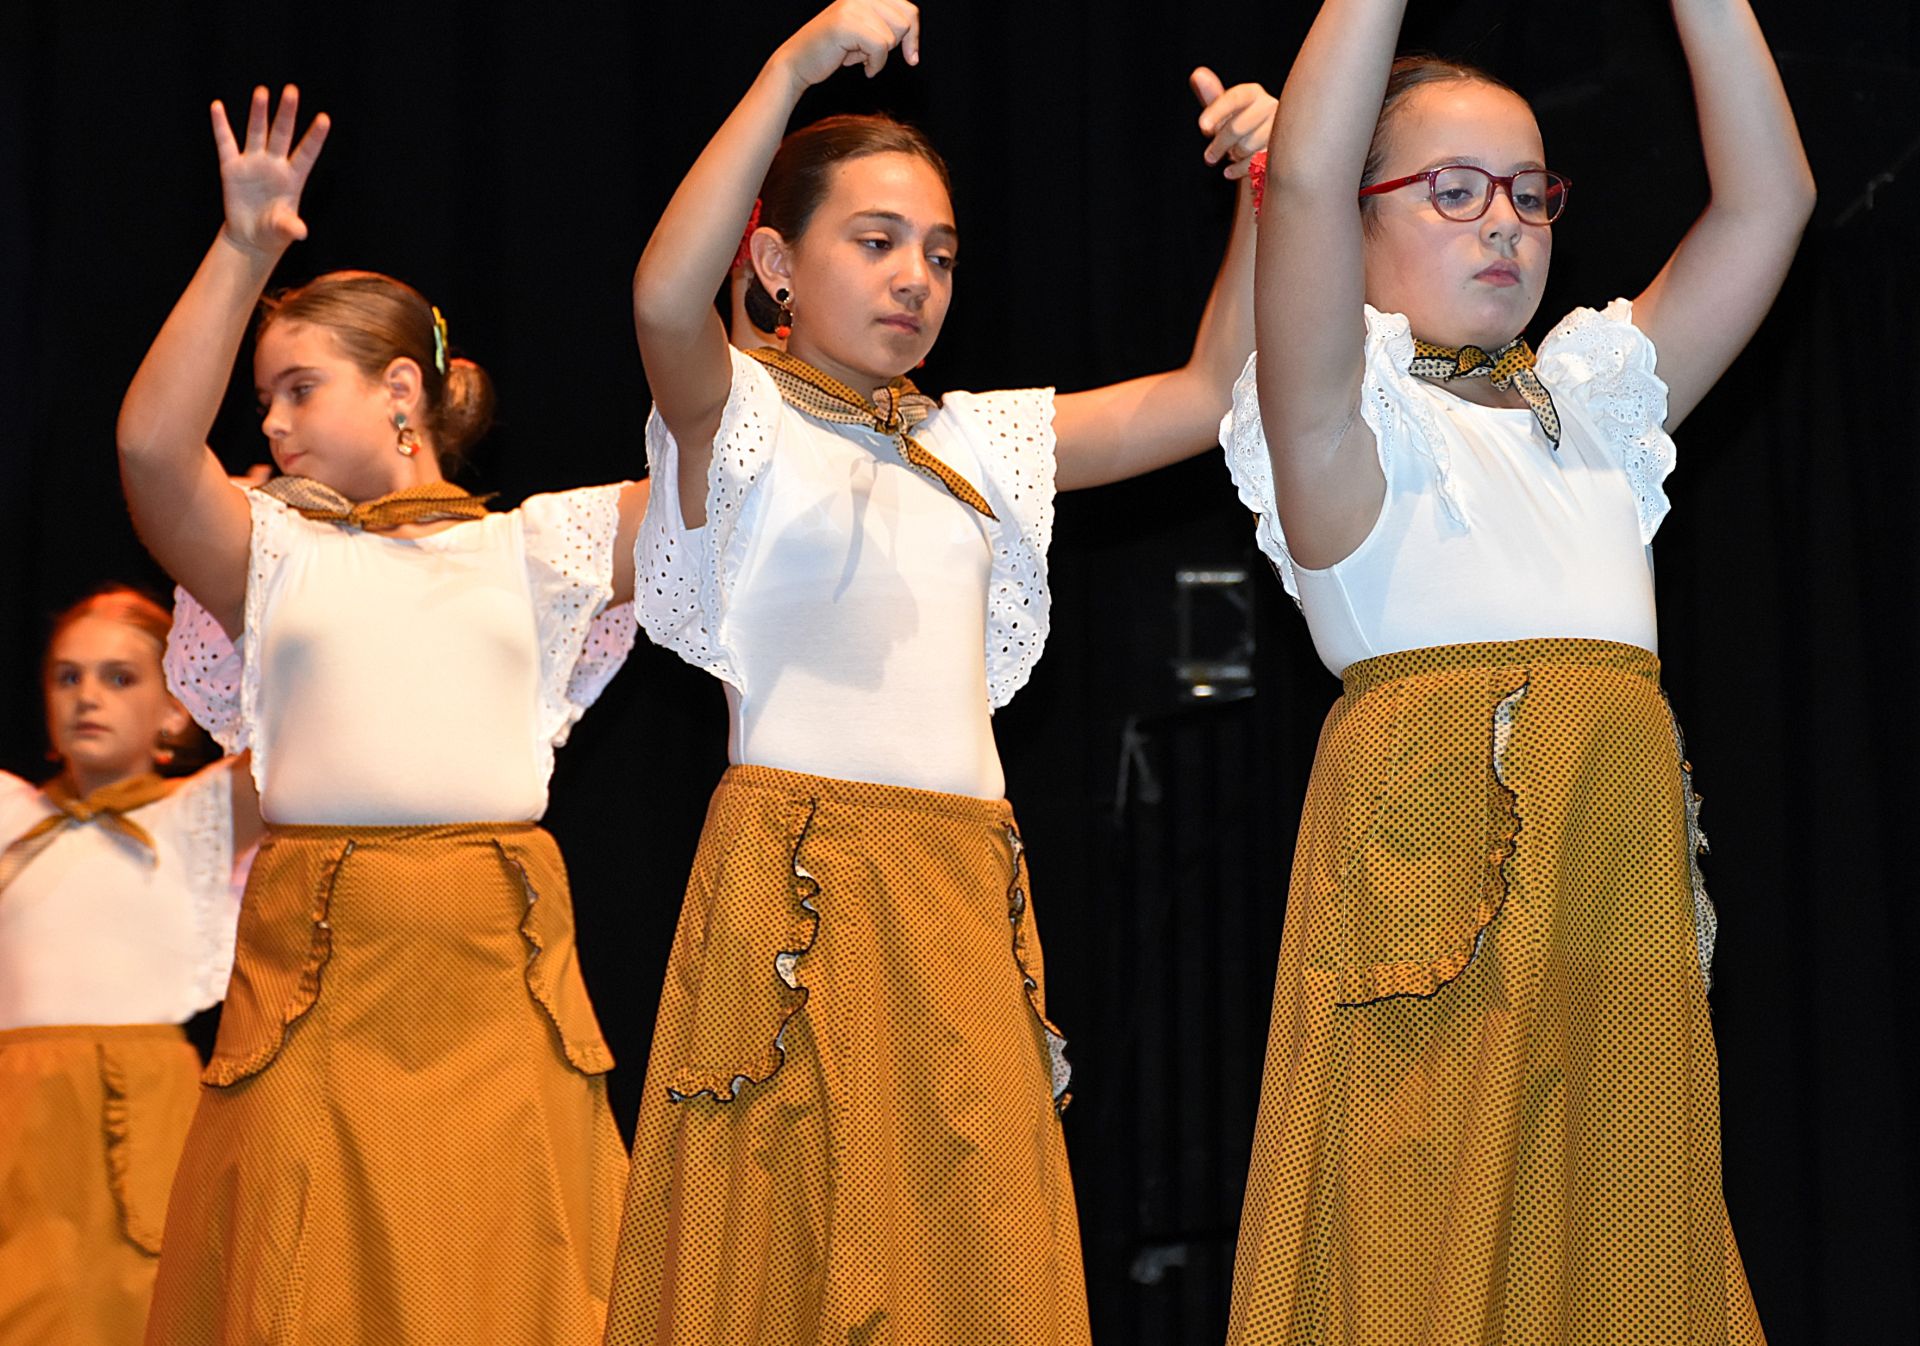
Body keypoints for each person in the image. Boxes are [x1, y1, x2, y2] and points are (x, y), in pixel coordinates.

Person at [602, 3, 1273, 1342]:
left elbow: (1206, 394)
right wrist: (791, 70)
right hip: (799, 885)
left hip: (960, 885)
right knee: (788, 1246)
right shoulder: (736, 424)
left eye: (940, 253)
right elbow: (665, 297)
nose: (915, 275)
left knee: (969, 1258)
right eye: (876, 241)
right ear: (779, 264)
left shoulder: (979, 446)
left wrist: (1269, 189)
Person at [1218, 1, 1813, 1341]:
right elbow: (1304, 176)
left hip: (1611, 938)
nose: (1505, 221)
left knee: (1624, 1273)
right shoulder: (1343, 424)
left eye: (1530, 193)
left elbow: (1769, 204)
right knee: (1424, 1277)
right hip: (1435, 952)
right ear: (1356, 224)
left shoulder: (1594, 416)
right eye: (1451, 190)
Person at [115, 85, 647, 1343]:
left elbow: (715, 480)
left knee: (509, 1288)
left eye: (299, 387)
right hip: (316, 995)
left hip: (493, 988)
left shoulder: (538, 548)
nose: (275, 422)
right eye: (264, 400)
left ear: (402, 389)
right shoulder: (272, 553)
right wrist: (245, 249)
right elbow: (149, 453)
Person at [0, 586, 259, 1345]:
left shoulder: (195, 816)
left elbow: (307, 731)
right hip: (17, 1128)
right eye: (67, 676)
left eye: (120, 678)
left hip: (142, 1125)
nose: (88, 697)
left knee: (144, 1310)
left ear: (175, 708)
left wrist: (255, 572)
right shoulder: (12, 816)